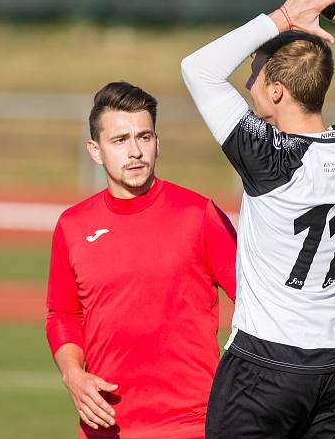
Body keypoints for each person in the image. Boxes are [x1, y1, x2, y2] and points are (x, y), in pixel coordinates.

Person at [180, 0, 335, 438]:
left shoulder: (270, 159)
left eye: (255, 76)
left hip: (264, 366)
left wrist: (285, 15)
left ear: (278, 91)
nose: (247, 85)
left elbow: (197, 69)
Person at [46, 81, 237, 439]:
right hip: (105, 426)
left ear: (157, 143)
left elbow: (256, 303)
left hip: (194, 426)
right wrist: (73, 375)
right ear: (96, 150)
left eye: (144, 137)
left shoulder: (199, 215)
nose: (134, 151)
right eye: (120, 141)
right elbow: (63, 314)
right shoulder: (72, 226)